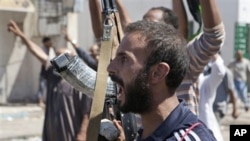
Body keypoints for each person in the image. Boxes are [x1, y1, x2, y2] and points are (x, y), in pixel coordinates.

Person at [87, 0, 226, 115]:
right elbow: (104, 38)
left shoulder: (182, 61)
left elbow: (213, 36)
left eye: (151, 25)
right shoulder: (133, 63)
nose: (144, 29)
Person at [108, 20, 216, 141]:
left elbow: (214, 34)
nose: (110, 68)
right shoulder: (145, 133)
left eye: (124, 59)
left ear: (158, 73)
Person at [7, 20, 91, 141]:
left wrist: (82, 134)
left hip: (71, 136)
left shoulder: (81, 82)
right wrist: (21, 35)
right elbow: (37, 52)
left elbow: (87, 113)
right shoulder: (53, 74)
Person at [198, 53, 226, 141]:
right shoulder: (177, 84)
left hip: (207, 133)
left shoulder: (204, 83)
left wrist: (211, 50)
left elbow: (219, 72)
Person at [36, 37, 53, 108]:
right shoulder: (42, 49)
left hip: (50, 69)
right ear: (45, 42)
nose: (50, 43)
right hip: (44, 69)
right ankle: (40, 101)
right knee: (42, 86)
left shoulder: (51, 49)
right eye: (48, 42)